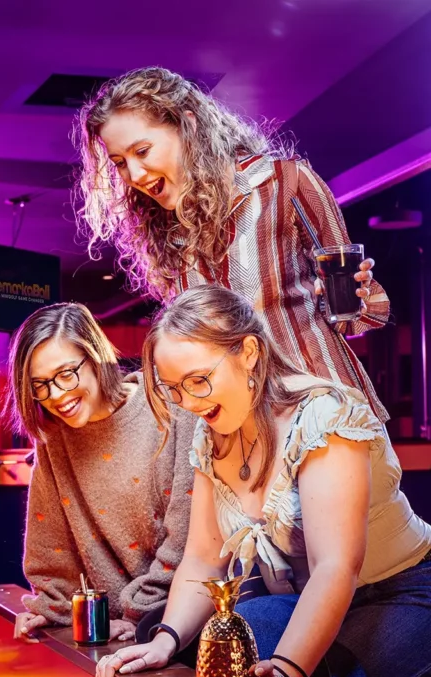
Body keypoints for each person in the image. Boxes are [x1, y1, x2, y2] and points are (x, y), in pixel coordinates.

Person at [96, 286, 431, 677]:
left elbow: (336, 568)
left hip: (402, 594)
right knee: (245, 627)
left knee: (272, 640)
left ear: (249, 353)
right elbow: (202, 558)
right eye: (174, 389)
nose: (190, 402)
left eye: (198, 380)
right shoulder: (214, 435)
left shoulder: (323, 416)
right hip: (316, 603)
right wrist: (166, 641)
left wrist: (290, 673)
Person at [74, 66, 390, 421]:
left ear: (188, 125)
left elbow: (354, 318)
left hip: (319, 407)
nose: (134, 175)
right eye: (120, 163)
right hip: (237, 429)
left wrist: (355, 296)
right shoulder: (165, 232)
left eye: (143, 151)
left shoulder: (286, 183)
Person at [0, 302, 195, 644]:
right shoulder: (53, 441)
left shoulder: (170, 405)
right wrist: (50, 608)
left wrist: (140, 615)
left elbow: (187, 537)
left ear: (96, 357)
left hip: (186, 616)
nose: (56, 395)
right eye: (40, 385)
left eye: (65, 374)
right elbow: (51, 551)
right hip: (110, 633)